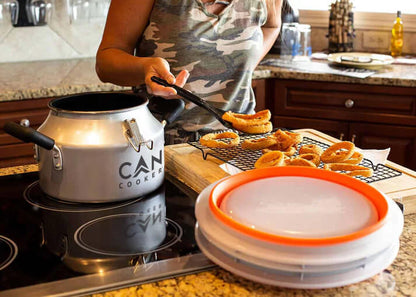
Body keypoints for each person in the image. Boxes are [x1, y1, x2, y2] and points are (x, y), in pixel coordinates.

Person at [96, 0, 282, 143]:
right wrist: (145, 68)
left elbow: (272, 26)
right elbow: (105, 62)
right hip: (161, 144)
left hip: (241, 142)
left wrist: (233, 63)